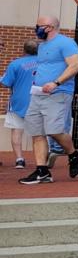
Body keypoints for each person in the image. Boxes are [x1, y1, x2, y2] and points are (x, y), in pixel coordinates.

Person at [19, 16, 78, 185]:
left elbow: (75, 66)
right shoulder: (42, 46)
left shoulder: (66, 43)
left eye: (38, 26)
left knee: (54, 131)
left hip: (58, 93)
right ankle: (42, 171)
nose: (36, 29)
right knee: (37, 133)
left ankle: (73, 154)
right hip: (38, 94)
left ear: (48, 27)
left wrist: (56, 82)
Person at [2, 39, 38, 169]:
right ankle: (41, 160)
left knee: (17, 131)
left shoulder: (15, 64)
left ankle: (19, 159)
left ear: (24, 50)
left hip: (18, 102)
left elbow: (6, 83)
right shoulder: (45, 63)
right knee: (39, 133)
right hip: (38, 101)